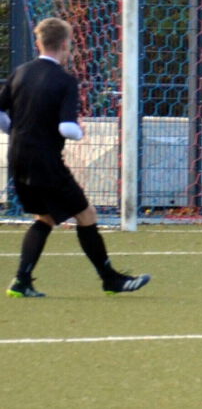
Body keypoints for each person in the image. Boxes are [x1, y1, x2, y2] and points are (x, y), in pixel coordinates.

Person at [2, 18, 150, 298]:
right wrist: (80, 132)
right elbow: (66, 128)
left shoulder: (20, 72)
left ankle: (21, 281)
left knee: (45, 217)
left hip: (18, 158)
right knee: (87, 214)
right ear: (66, 45)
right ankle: (110, 279)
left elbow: (0, 113)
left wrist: (19, 131)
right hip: (46, 161)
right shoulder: (64, 81)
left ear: (39, 42)